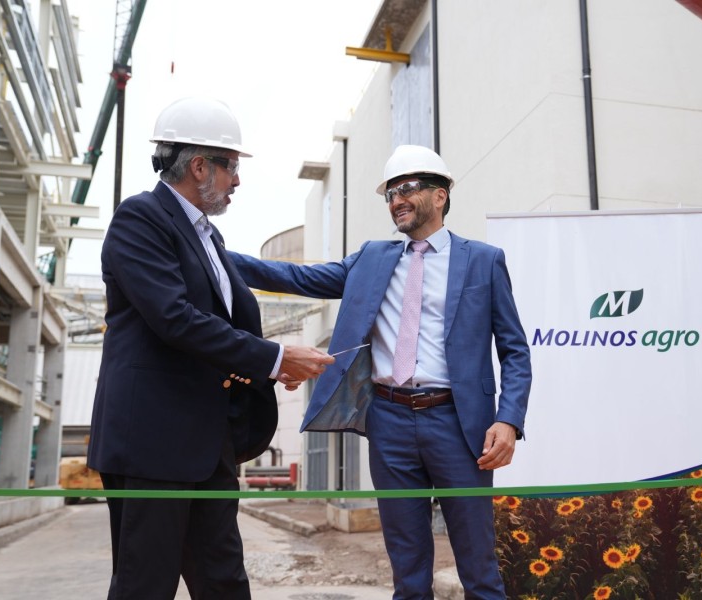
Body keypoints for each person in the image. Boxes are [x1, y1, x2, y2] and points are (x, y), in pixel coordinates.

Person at [230, 144, 531, 599]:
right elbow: (299, 278)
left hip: (459, 424)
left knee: (479, 566)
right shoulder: (372, 258)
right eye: (390, 193)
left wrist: (507, 420)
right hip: (389, 423)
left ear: (441, 195)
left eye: (407, 188)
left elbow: (515, 351)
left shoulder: (483, 261)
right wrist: (212, 254)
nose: (397, 200)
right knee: (407, 569)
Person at [86, 96, 334, 600]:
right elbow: (175, 319)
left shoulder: (209, 238)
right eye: (232, 167)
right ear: (199, 166)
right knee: (145, 585)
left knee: (224, 582)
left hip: (207, 445)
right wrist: (275, 357)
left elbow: (238, 306)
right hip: (152, 446)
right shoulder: (141, 220)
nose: (237, 179)